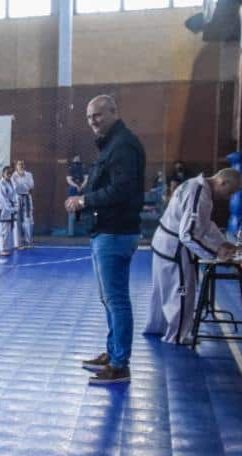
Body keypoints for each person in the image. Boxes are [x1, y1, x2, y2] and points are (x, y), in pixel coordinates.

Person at [65, 94, 145, 385]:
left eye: (98, 115)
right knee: (109, 299)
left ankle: (120, 363)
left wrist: (84, 200)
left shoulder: (123, 145)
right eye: (89, 118)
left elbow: (122, 190)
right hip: (106, 231)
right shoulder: (112, 145)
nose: (93, 122)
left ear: (114, 111)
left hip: (115, 231)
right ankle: (113, 353)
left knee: (117, 300)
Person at [144, 169, 242, 344]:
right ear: (222, 182)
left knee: (162, 290)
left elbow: (204, 224)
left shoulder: (194, 185)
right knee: (181, 293)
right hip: (175, 249)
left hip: (164, 244)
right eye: (230, 192)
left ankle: (157, 327)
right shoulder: (199, 193)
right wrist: (215, 254)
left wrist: (221, 242)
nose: (229, 197)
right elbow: (188, 234)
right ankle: (177, 336)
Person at [0, 165, 18, 256]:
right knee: (2, 229)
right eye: (7, 173)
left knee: (8, 228)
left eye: (10, 173)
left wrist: (15, 207)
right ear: (3, 174)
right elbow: (2, 198)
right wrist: (11, 209)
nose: (9, 174)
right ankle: (2, 249)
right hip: (3, 208)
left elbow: (14, 196)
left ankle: (7, 247)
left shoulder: (11, 182)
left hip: (10, 208)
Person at [12, 160, 35, 249]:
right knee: (17, 221)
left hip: (27, 197)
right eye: (19, 164)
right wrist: (25, 185)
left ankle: (29, 241)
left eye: (22, 164)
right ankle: (18, 243)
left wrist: (22, 185)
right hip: (17, 198)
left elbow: (31, 185)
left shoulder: (29, 174)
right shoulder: (13, 175)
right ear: (16, 166)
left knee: (28, 220)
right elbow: (15, 187)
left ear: (24, 166)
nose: (21, 166)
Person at [66, 155, 88, 236]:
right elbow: (86, 178)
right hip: (81, 192)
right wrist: (81, 186)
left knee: (71, 210)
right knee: (82, 208)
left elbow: (68, 180)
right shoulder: (84, 167)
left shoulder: (70, 168)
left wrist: (75, 186)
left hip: (72, 192)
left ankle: (70, 233)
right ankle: (85, 231)